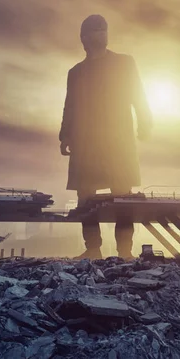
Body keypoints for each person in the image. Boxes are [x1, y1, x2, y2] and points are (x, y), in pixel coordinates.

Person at [59, 15, 152, 260]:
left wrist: (145, 123)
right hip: (85, 142)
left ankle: (124, 251)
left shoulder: (124, 63)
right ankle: (93, 249)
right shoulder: (76, 72)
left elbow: (137, 95)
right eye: (95, 30)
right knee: (85, 196)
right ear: (84, 39)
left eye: (104, 29)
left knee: (122, 196)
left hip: (117, 140)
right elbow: (70, 105)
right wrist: (65, 135)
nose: (101, 33)